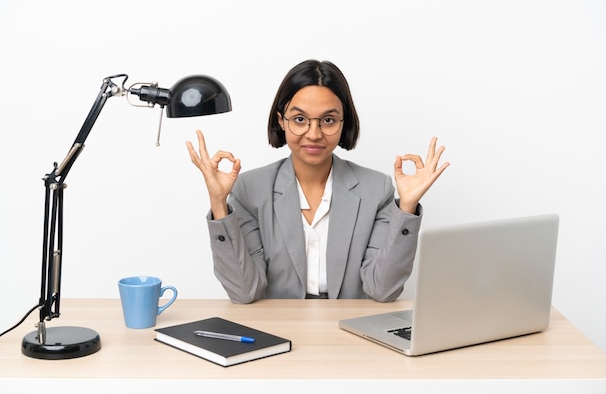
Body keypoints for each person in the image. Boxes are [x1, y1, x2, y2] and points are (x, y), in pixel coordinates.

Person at [186, 60, 449, 304]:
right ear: (281, 121)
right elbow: (245, 291)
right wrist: (219, 204)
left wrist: (407, 208)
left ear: (343, 124)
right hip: (278, 329)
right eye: (300, 120)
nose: (314, 134)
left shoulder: (376, 190)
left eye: (328, 120)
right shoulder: (250, 189)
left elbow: (382, 290)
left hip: (349, 331)